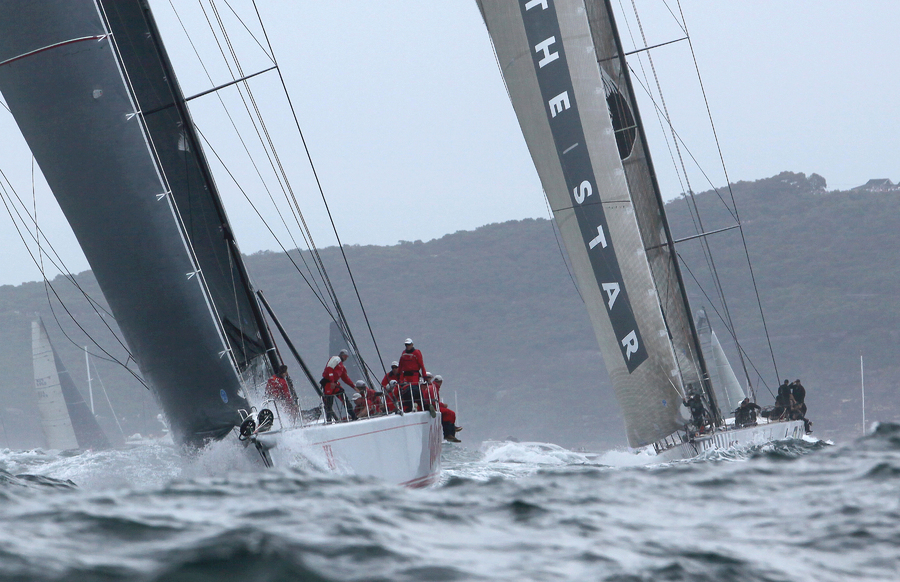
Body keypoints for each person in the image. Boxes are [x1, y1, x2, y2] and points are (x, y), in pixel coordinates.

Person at [321, 349, 357, 422]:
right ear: (344, 356)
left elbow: (345, 378)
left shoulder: (341, 367)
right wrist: (332, 381)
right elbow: (329, 368)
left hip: (335, 384)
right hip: (329, 384)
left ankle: (353, 416)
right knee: (329, 403)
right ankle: (329, 420)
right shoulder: (336, 359)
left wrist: (354, 386)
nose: (346, 359)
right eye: (346, 357)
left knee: (344, 399)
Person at [398, 339, 427, 411]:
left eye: (408, 344)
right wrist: (399, 377)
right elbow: (400, 365)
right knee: (405, 390)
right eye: (406, 345)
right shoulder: (404, 353)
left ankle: (420, 405)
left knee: (414, 389)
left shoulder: (417, 353)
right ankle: (408, 406)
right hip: (406, 376)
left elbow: (421, 365)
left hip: (414, 375)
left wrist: (424, 376)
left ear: (412, 344)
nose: (407, 346)